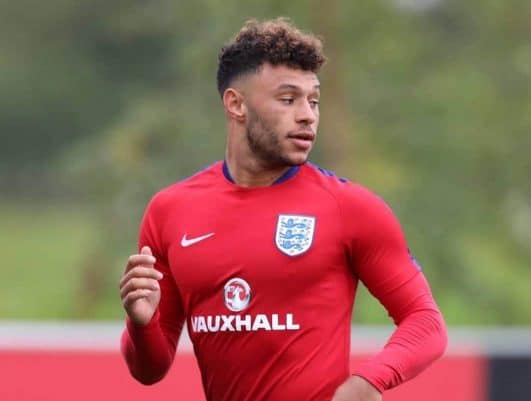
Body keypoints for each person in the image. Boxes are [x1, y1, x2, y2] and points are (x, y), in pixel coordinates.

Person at [119, 17, 447, 401]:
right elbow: (150, 370)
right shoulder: (170, 211)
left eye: (314, 100)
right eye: (288, 99)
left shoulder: (350, 208)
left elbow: (427, 324)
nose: (307, 114)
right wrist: (141, 324)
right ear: (236, 104)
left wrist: (367, 384)